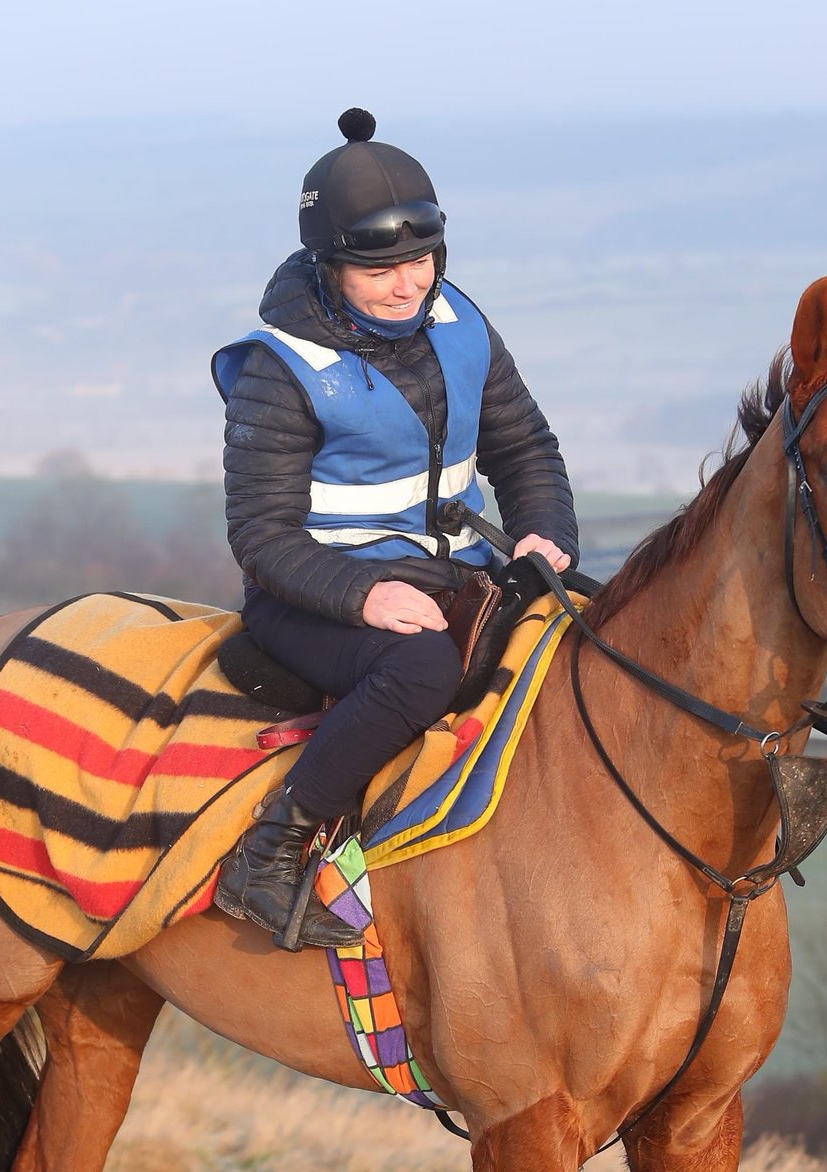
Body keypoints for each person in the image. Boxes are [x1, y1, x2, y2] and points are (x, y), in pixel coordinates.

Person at [211, 108, 579, 948]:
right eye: (379, 272)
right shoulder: (280, 368)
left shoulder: (462, 324)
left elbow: (526, 448)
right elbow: (260, 538)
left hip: (450, 573)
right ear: (329, 267)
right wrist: (365, 596)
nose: (408, 286)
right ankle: (269, 852)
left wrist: (543, 531)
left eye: (420, 262)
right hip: (313, 599)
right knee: (420, 670)